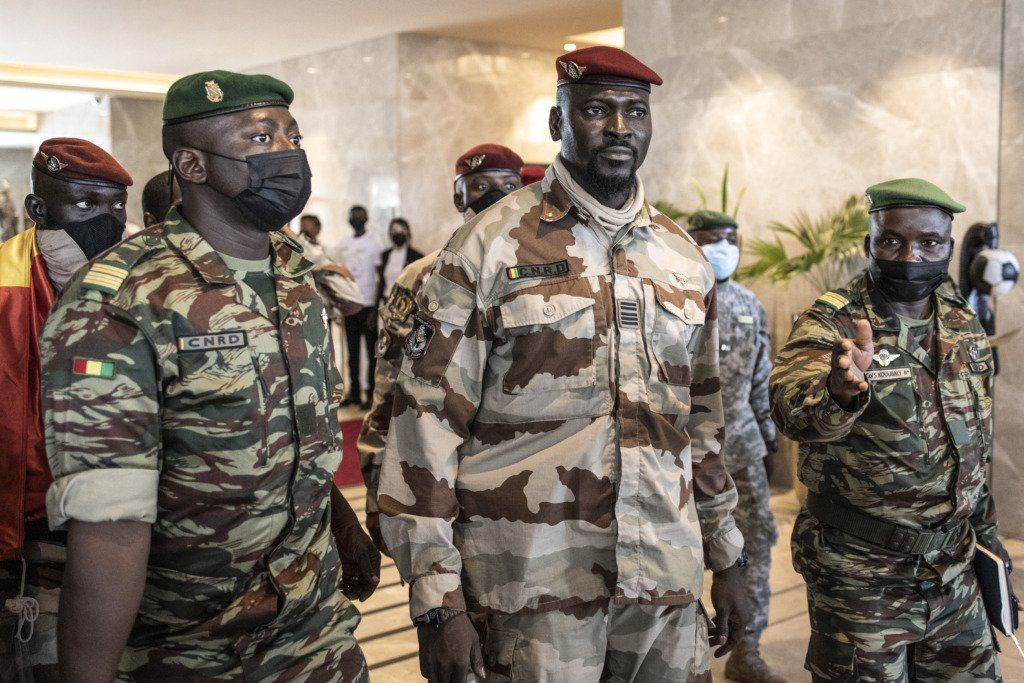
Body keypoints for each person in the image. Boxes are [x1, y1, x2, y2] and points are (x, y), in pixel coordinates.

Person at [378, 46, 749, 682]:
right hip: (532, 588)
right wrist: (438, 604)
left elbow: (702, 426)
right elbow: (424, 431)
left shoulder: (682, 258)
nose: (620, 128)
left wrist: (727, 556)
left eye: (636, 112)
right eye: (597, 110)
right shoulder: (486, 248)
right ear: (558, 123)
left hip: (664, 576)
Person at [39, 70, 380, 682]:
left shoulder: (297, 271)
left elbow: (293, 438)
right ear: (193, 166)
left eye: (291, 136)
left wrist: (339, 521)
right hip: (190, 653)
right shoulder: (120, 299)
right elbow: (111, 528)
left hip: (316, 634)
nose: (288, 154)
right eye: (261, 138)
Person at [770, 178, 1006, 681]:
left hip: (954, 567)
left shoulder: (961, 320)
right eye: (892, 240)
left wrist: (988, 541)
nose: (910, 255)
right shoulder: (833, 321)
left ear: (948, 247)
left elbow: (973, 446)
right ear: (869, 244)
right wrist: (839, 391)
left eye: (929, 243)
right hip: (861, 575)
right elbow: (791, 411)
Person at [0, 137, 131, 683]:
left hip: (130, 531)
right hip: (33, 545)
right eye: (85, 205)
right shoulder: (6, 290)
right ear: (37, 210)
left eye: (115, 207)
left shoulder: (138, 281)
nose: (106, 222)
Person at [358, 143, 524, 554]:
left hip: (525, 468)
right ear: (458, 196)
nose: (496, 195)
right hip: (447, 464)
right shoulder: (422, 275)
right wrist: (378, 480)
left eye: (509, 185)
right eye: (481, 185)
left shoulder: (551, 271)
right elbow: (389, 386)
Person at [687, 210, 783, 683]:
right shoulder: (674, 294)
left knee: (757, 543)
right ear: (690, 241)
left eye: (730, 239)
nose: (722, 247)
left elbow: (763, 377)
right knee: (677, 552)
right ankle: (680, 654)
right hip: (680, 452)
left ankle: (748, 651)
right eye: (711, 239)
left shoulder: (749, 303)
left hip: (742, 449)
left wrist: (770, 437)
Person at [335, 204, 382, 409]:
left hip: (368, 304)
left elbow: (380, 277)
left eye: (359, 215)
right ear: (348, 219)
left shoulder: (374, 242)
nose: (356, 218)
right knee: (352, 353)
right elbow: (339, 274)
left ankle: (370, 395)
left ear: (366, 218)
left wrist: (375, 308)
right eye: (353, 215)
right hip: (349, 304)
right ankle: (353, 393)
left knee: (371, 354)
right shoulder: (343, 243)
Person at [375, 217, 424, 307]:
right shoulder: (385, 255)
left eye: (402, 230)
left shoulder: (416, 256)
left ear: (407, 233)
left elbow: (420, 284)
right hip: (387, 302)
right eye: (394, 230)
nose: (398, 233)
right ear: (390, 233)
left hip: (406, 306)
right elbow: (381, 282)